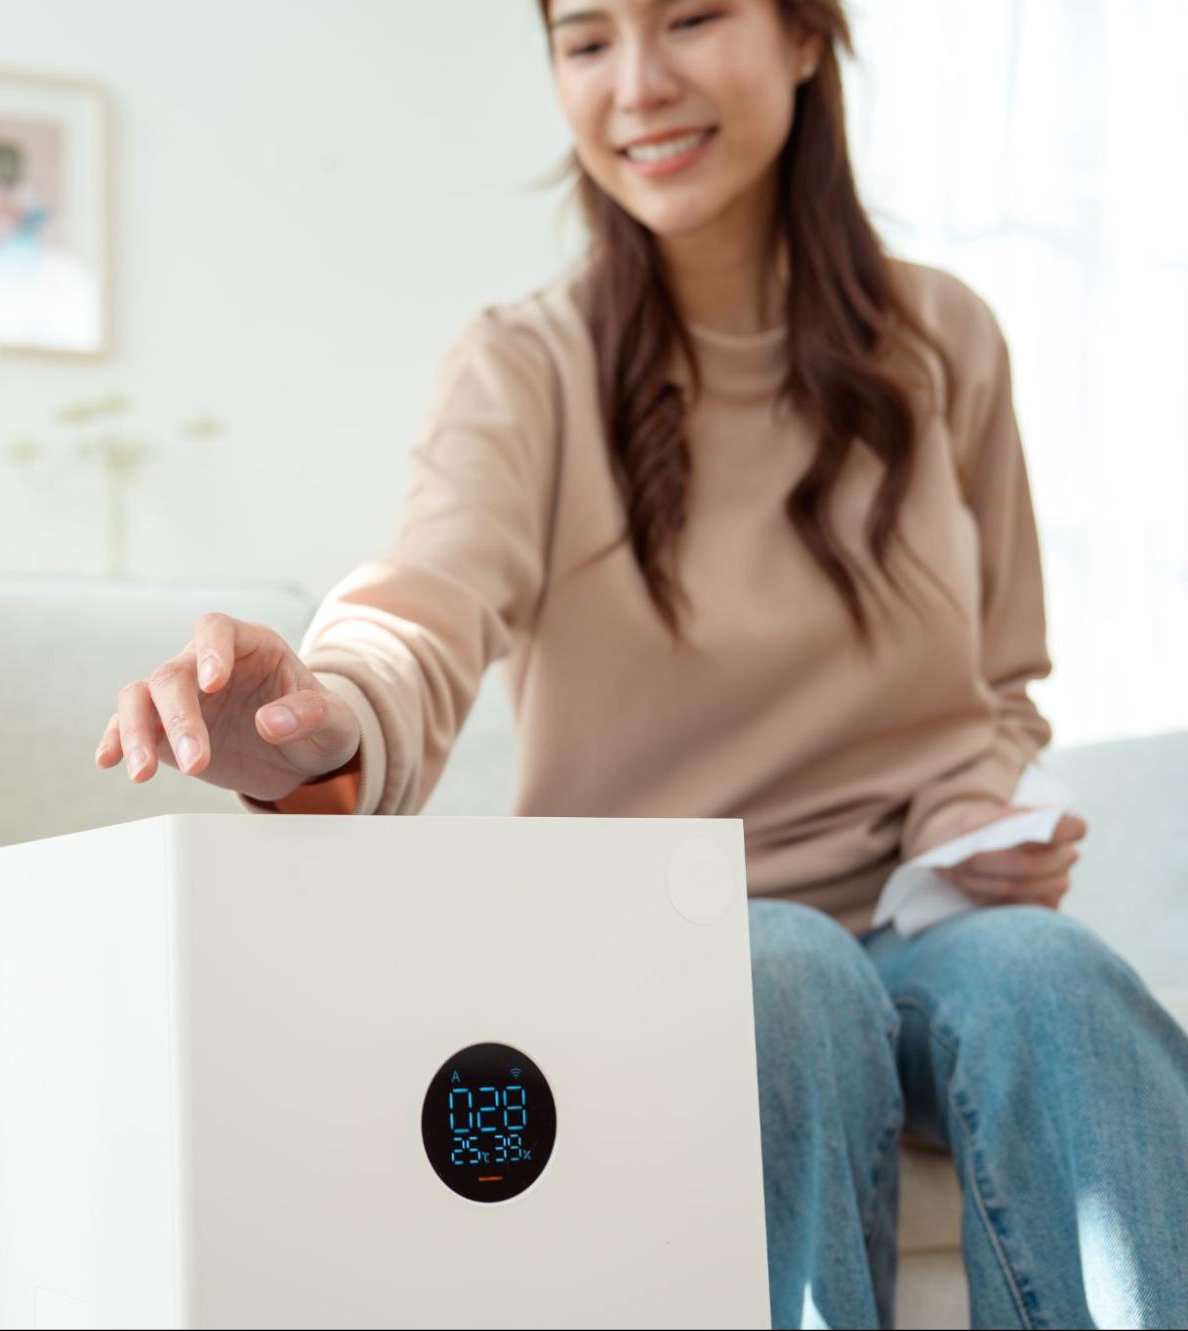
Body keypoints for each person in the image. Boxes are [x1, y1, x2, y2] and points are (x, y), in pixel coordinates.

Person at [93, 1, 1188, 1326]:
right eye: (587, 40)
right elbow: (424, 600)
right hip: (666, 943)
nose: (638, 85)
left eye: (690, 19)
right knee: (784, 966)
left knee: (1053, 977)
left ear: (800, 36)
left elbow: (1005, 681)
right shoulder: (527, 366)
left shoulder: (949, 341)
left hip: (916, 930)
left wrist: (972, 806)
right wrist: (329, 709)